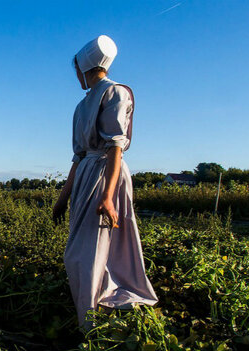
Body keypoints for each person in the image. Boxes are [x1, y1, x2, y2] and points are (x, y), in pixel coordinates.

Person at [52, 35, 158, 329]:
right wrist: (63, 199)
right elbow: (78, 156)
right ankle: (93, 314)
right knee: (83, 252)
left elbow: (115, 147)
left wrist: (108, 196)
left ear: (84, 66)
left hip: (105, 174)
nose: (76, 76)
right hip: (87, 173)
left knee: (89, 253)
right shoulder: (81, 105)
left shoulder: (116, 93)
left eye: (76, 70)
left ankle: (95, 322)